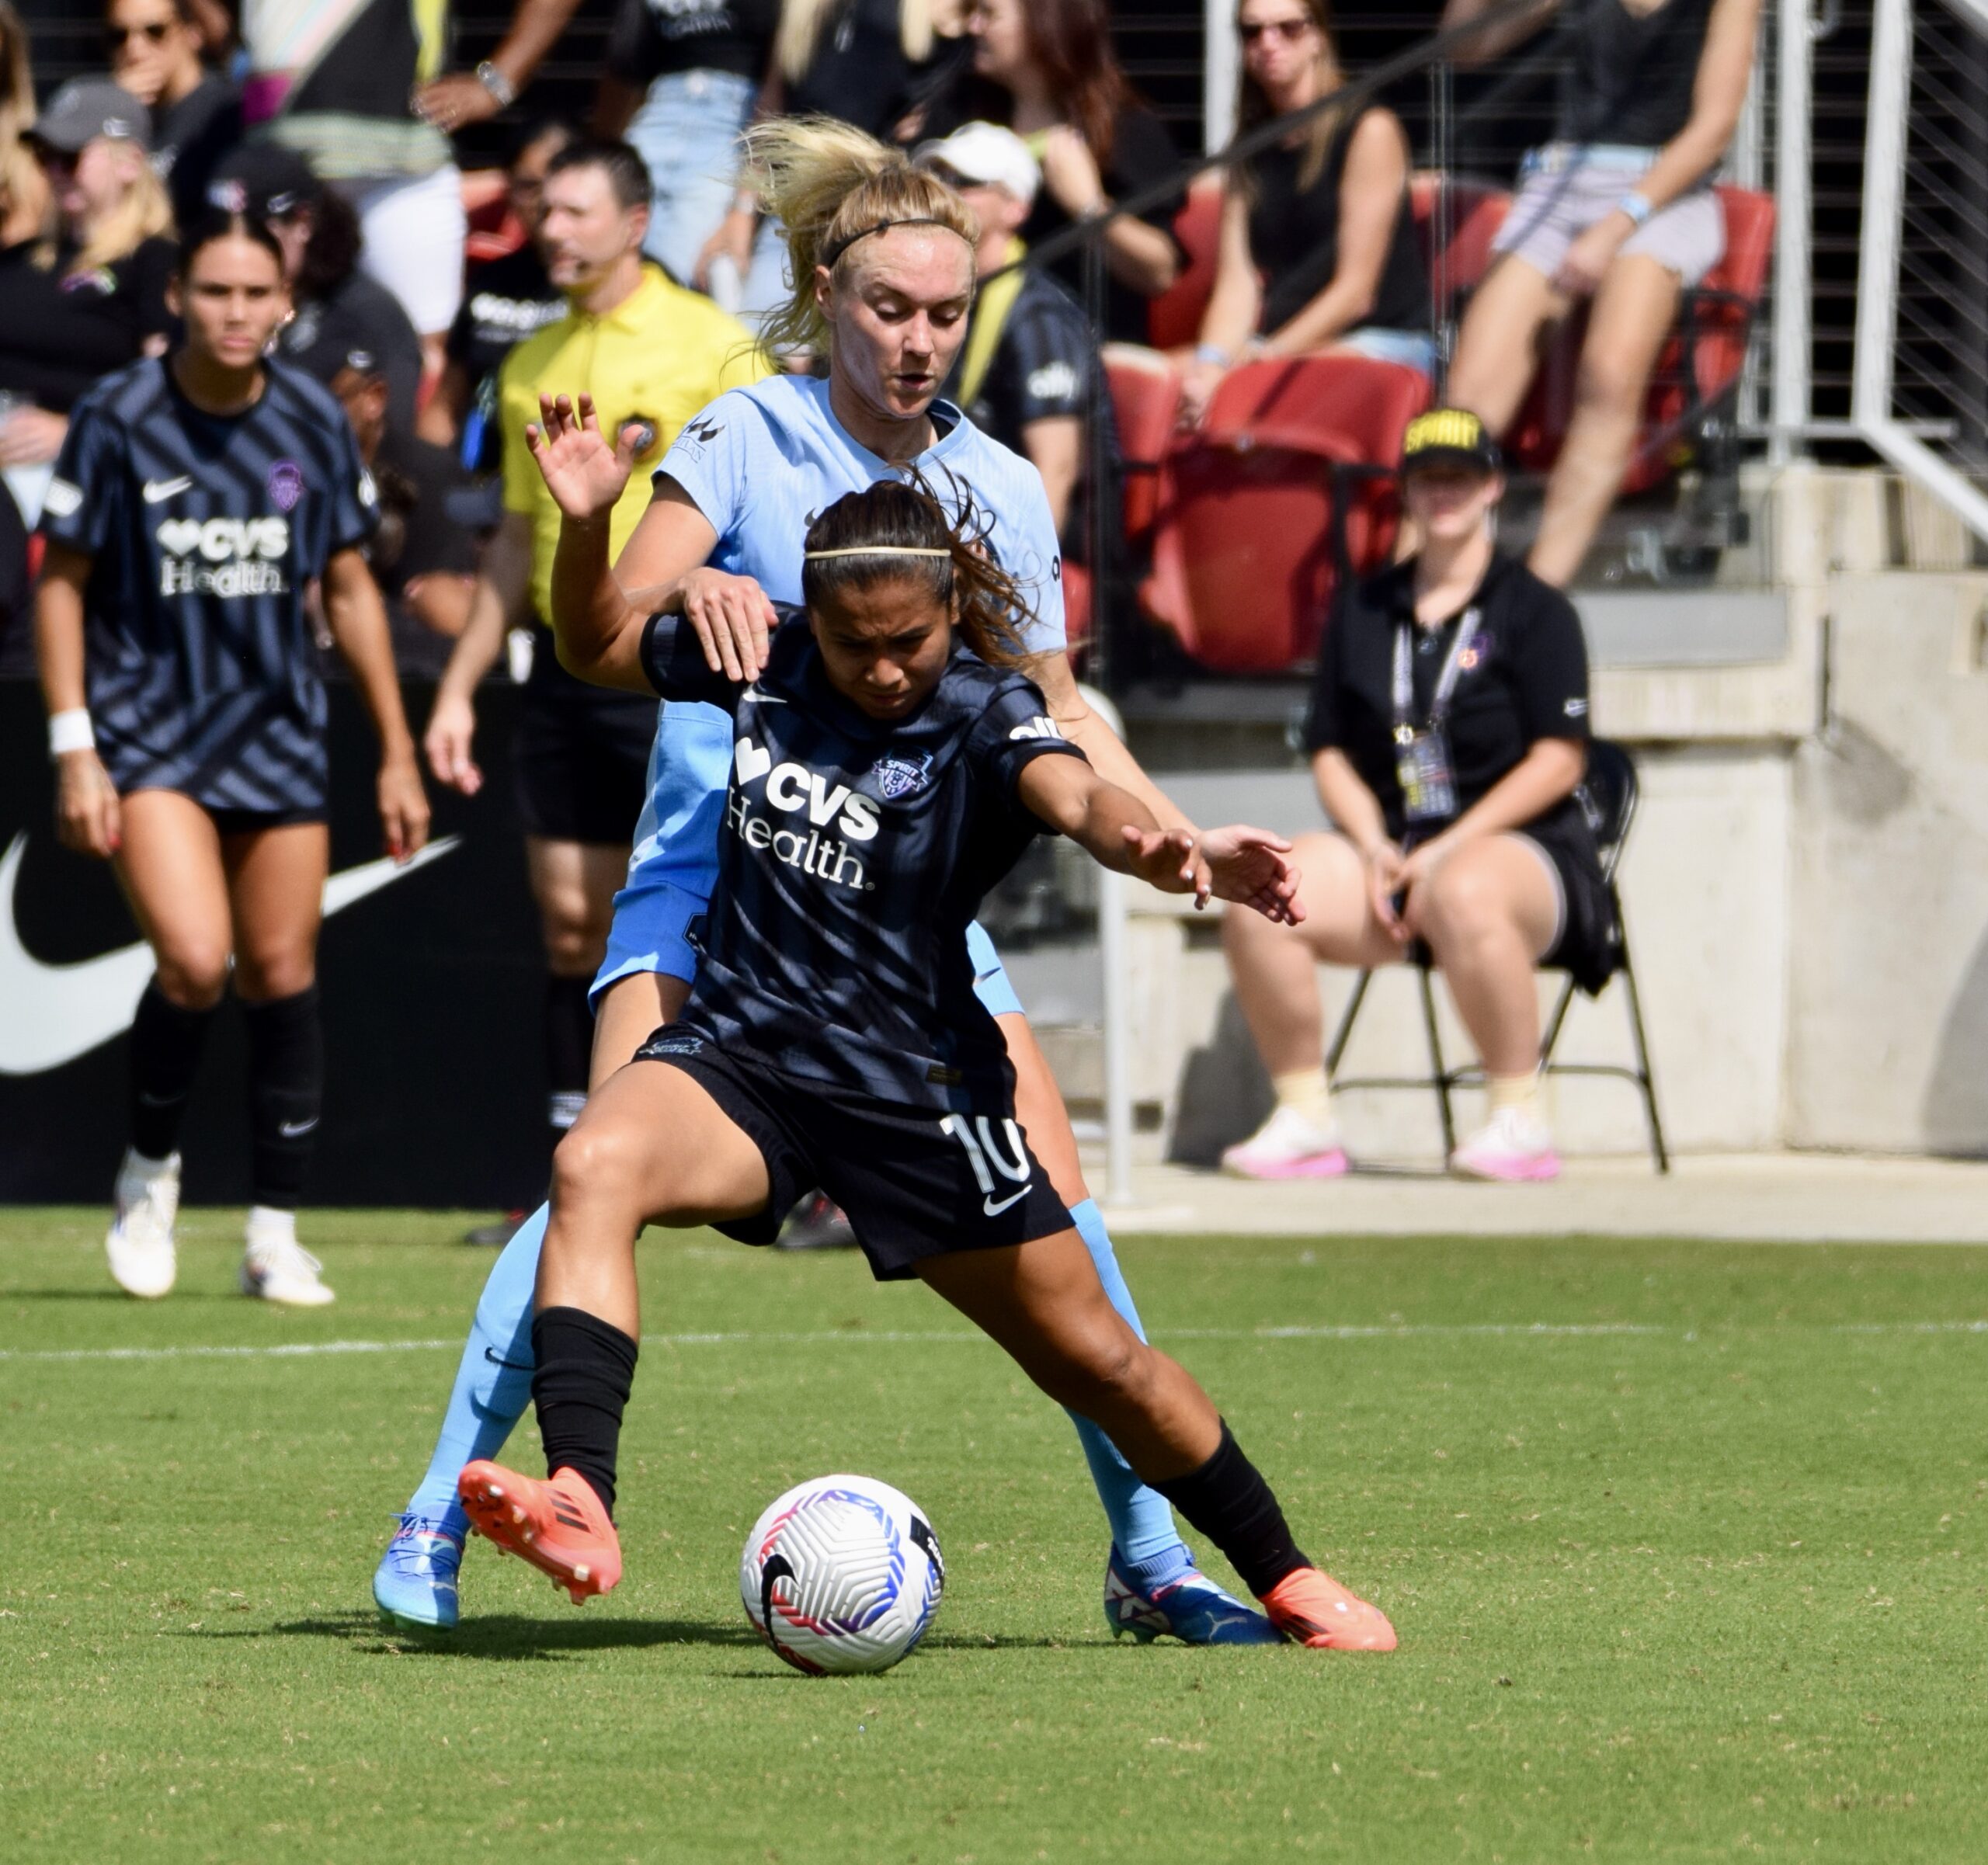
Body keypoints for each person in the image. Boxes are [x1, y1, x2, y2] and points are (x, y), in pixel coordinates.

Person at [373, 120, 1282, 1651]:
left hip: (899, 926)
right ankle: (436, 1511)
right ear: (826, 294)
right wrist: (683, 574)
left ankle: (1148, 1554)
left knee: (1057, 1210)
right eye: (889, 311)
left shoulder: (995, 485)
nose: (919, 340)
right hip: (703, 887)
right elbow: (611, 629)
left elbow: (1052, 714)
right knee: (600, 1169)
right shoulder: (742, 436)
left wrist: (1169, 832)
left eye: (945, 312)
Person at [452, 475, 1395, 1657]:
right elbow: (589, 644)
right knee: (593, 1159)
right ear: (816, 617)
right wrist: (589, 523)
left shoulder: (983, 710)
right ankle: (582, 1494)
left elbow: (1079, 796)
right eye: (857, 644)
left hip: (920, 1093)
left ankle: (1286, 1573)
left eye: (910, 641)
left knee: (1105, 1363)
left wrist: (1165, 848)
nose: (885, 667)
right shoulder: (766, 656)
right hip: (745, 1058)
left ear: (949, 613)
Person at [33, 210, 430, 1306]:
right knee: (196, 961)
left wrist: (396, 749)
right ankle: (148, 1177)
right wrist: (75, 743)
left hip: (279, 734)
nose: (238, 313)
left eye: (258, 294)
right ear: (178, 299)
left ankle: (271, 1232)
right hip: (150, 732)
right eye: (216, 292)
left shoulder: (309, 415)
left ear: (286, 301)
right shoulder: (118, 417)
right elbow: (61, 581)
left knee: (284, 976)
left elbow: (348, 585)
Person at [422, 138, 770, 1231]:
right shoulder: (531, 364)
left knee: (719, 920)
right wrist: (457, 686)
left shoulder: (714, 347)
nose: (554, 230)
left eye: (576, 211)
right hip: (573, 669)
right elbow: (517, 545)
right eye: (545, 211)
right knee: (571, 922)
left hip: (685, 675)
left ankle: (764, 1152)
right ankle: (572, 1164)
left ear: (635, 220)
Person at [1218, 408, 1615, 1184]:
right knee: (1261, 884)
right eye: (1428, 477)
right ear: (1404, 490)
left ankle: (1518, 1114)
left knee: (1460, 888)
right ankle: (1304, 1114)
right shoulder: (1364, 608)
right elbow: (1329, 746)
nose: (1444, 493)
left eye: (1460, 476)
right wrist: (1371, 843)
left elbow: (1559, 761)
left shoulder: (1537, 609)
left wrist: (1449, 845)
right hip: (1391, 854)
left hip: (1521, 856)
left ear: (1492, 486)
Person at [1442, 0, 1761, 587]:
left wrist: (1615, 225)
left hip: (1665, 190)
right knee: (1468, 399)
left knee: (1609, 375)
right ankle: (1436, 587)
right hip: (1564, 180)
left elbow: (1713, 129)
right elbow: (1464, 46)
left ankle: (1537, 597)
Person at [238, 0, 585, 384]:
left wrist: (497, 82)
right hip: (272, 161)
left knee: (427, 363)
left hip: (404, 170)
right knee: (250, 335)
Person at [1176, 0, 1433, 430]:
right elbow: (1236, 284)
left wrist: (1263, 358)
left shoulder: (1369, 128)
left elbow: (1357, 293)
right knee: (1170, 386)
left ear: (1319, 36)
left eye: (1288, 28)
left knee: (1250, 395)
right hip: (1286, 344)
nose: (1268, 43)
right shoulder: (1251, 147)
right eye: (1252, 32)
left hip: (1384, 340)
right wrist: (1209, 364)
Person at [917, 120, 1097, 547]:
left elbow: (1057, 471)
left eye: (965, 182)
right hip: (958, 524)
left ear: (1015, 208)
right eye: (938, 178)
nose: (944, 191)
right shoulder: (952, 297)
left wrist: (1018, 594)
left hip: (1026, 556)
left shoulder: (1039, 314)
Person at [961, 0, 1182, 344]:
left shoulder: (1127, 131)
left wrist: (1089, 205)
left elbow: (1159, 273)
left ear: (1045, 23)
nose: (973, 26)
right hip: (975, 359)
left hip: (1079, 362)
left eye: (989, 14)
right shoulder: (966, 120)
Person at [0, 80, 176, 496]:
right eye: (46, 157)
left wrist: (76, 431)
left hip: (69, 467)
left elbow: (166, 388)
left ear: (130, 163)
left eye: (70, 157)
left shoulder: (153, 260)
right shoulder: (22, 257)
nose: (55, 171)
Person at [210, 144, 425, 439]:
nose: (233, 247)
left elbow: (389, 440)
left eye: (255, 232)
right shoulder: (202, 304)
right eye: (216, 231)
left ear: (303, 223)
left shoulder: (366, 316)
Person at [593, 0, 779, 288]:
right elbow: (624, 64)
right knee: (607, 246)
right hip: (659, 109)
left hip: (733, 119)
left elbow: (780, 83)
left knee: (695, 271)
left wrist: (745, 205)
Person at [430, 119, 572, 465]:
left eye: (556, 183)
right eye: (528, 186)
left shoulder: (621, 285)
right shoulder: (489, 283)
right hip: (490, 478)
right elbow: (444, 409)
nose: (544, 202)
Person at [330, 347, 478, 675]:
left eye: (325, 401)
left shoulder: (428, 473)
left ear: (374, 398)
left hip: (409, 658)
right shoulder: (275, 469)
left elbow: (448, 605)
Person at [106, 0, 243, 232]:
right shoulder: (116, 115)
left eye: (155, 31)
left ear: (193, 33)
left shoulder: (222, 113)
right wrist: (116, 110)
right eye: (120, 36)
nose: (134, 49)